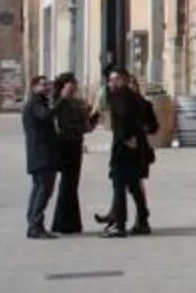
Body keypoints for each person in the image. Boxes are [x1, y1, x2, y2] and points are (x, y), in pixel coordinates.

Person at [102, 70, 155, 237]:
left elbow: (124, 117)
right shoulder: (136, 98)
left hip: (123, 148)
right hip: (136, 149)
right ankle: (143, 220)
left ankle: (119, 224)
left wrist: (127, 137)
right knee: (134, 186)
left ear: (121, 80)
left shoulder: (119, 96)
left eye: (113, 80)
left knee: (119, 185)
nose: (111, 83)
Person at [47, 73, 94, 237]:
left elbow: (84, 122)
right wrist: (83, 127)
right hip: (65, 144)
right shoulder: (59, 103)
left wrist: (91, 118)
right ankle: (61, 222)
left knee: (73, 183)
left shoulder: (75, 102)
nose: (73, 88)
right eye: (70, 85)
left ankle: (72, 223)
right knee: (67, 183)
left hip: (76, 144)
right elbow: (63, 125)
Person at [20, 75, 59, 240]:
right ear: (34, 87)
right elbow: (45, 116)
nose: (46, 88)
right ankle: (35, 225)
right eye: (43, 85)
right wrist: (59, 103)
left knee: (39, 189)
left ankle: (34, 223)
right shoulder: (36, 103)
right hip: (41, 154)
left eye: (47, 85)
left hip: (40, 154)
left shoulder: (38, 102)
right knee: (43, 190)